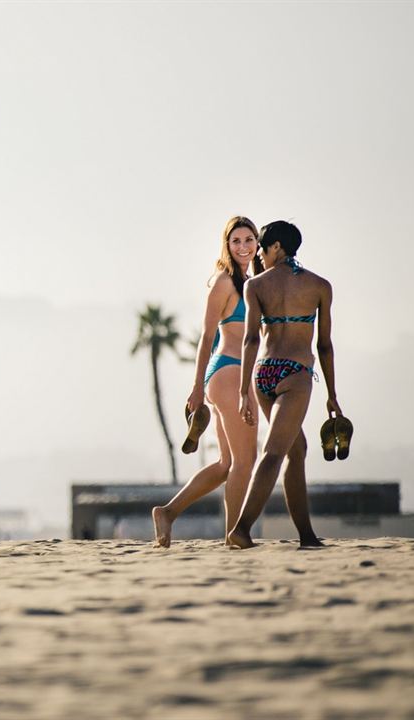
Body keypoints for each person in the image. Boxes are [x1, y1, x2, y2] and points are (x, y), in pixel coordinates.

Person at [152, 216, 263, 548]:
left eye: (248, 240)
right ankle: (235, 535)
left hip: (237, 375)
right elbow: (207, 337)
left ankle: (167, 513)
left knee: (227, 463)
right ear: (226, 245)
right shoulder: (224, 283)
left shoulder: (255, 280)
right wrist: (197, 386)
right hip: (228, 372)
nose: (243, 246)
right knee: (246, 461)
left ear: (257, 243)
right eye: (236, 241)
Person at [227, 220, 333, 549]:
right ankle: (241, 530)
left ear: (276, 247)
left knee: (296, 449)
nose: (258, 253)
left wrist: (245, 390)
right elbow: (324, 346)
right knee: (274, 453)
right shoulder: (319, 286)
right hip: (295, 375)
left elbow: (250, 341)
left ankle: (306, 535)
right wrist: (333, 395)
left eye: (261, 246)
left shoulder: (255, 285)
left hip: (264, 374)